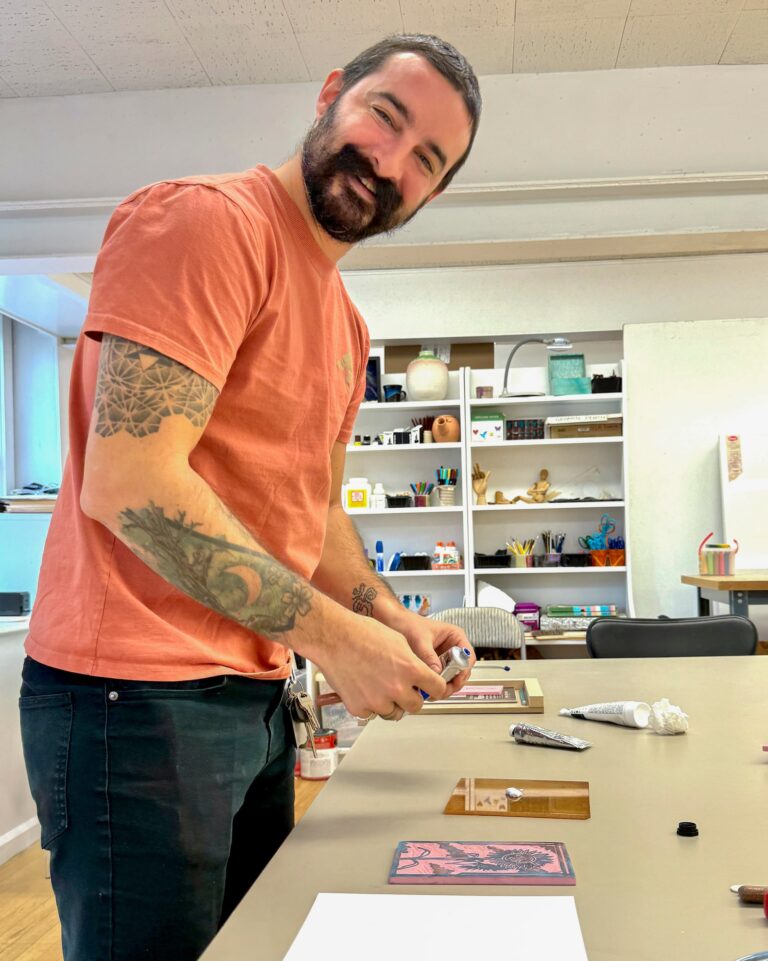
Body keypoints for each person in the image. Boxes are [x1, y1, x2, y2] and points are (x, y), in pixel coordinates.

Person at [19, 33, 482, 961]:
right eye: (384, 117)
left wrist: (388, 618)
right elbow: (133, 484)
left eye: (426, 160)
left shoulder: (346, 325)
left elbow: (310, 509)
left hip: (253, 697)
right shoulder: (208, 225)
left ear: (431, 194)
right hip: (133, 702)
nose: (388, 160)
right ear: (329, 95)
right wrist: (337, 639)